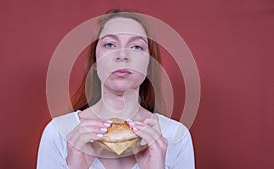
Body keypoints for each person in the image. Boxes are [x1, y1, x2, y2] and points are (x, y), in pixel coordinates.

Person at [37, 9, 195, 169]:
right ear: (95, 62)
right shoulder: (57, 133)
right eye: (110, 44)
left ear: (149, 64)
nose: (122, 55)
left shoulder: (177, 137)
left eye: (136, 47)